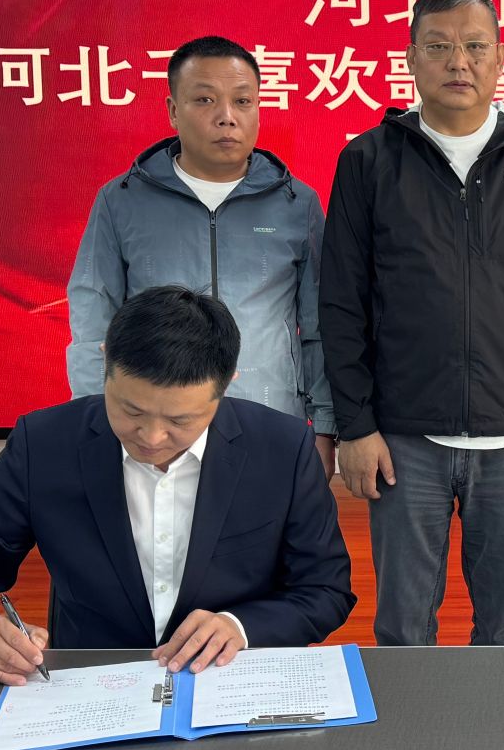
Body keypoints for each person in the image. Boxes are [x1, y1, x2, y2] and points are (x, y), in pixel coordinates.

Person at [0, 286, 354, 684]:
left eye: (180, 420)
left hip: (231, 682)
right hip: (90, 686)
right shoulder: (45, 444)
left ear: (226, 384)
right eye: (131, 411)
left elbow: (325, 589)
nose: (152, 438)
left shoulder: (282, 448)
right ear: (105, 363)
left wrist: (241, 626)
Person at [320, 0, 504, 647]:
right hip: (403, 438)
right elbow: (342, 302)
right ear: (411, 58)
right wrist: (356, 425)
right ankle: (409, 723)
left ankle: (499, 723)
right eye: (438, 47)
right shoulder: (369, 159)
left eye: (474, 46)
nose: (458, 62)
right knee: (403, 628)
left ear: (500, 57)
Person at [68, 35, 335, 477]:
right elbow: (92, 319)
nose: (227, 116)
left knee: (263, 523)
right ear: (173, 110)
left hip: (268, 417)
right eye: (205, 100)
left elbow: (320, 326)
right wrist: (97, 417)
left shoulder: (297, 204)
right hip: (156, 425)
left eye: (243, 101)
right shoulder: (122, 201)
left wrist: (324, 426)